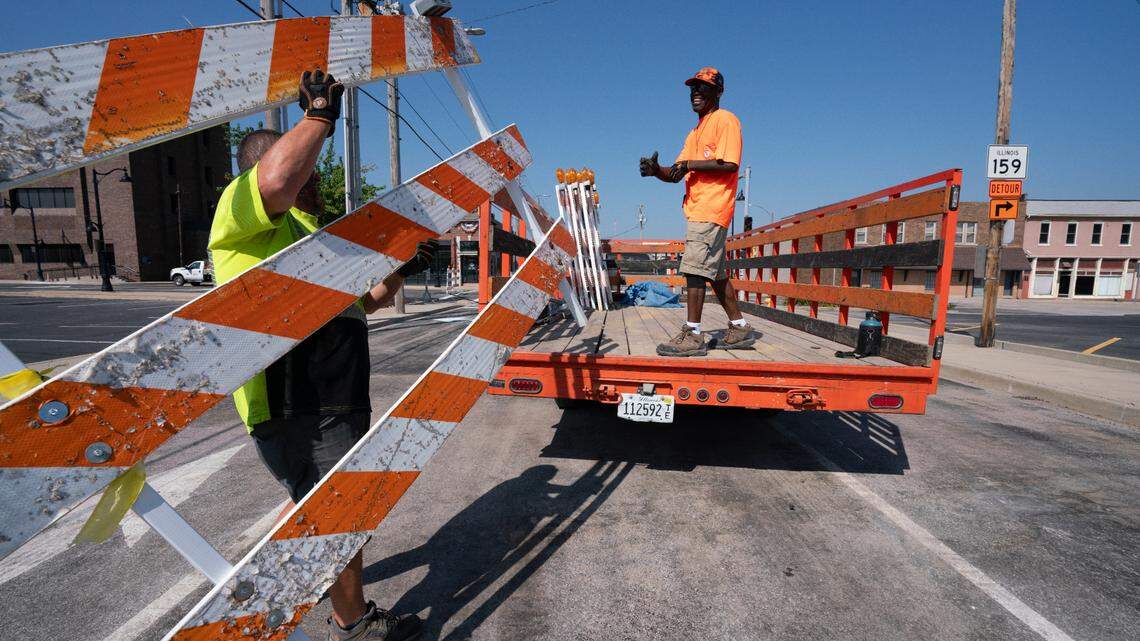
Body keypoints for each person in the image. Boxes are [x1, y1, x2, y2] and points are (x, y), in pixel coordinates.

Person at [209, 69, 432, 641]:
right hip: (297, 403)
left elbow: (367, 305)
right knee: (342, 515)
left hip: (336, 399)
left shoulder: (316, 234)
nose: (310, 175)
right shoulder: (244, 212)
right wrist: (318, 118)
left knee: (337, 512)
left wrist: (398, 271)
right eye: (303, 160)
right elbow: (278, 180)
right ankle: (353, 623)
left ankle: (331, 594)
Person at [639, 67, 758, 357]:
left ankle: (693, 334)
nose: (696, 93)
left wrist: (690, 164)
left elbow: (729, 164)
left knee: (694, 271)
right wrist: (657, 171)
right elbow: (677, 173)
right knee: (714, 274)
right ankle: (739, 326)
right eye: (693, 88)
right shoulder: (694, 132)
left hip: (712, 207)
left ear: (718, 92)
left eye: (703, 88)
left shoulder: (725, 120)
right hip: (698, 210)